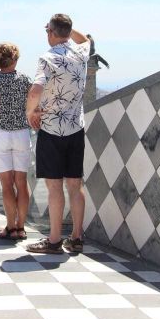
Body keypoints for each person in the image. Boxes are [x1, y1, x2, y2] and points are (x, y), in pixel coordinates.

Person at [25, 14, 91, 254]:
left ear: (50, 32)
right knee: (75, 184)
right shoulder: (81, 53)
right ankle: (76, 237)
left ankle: (54, 240)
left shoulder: (48, 58)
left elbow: (35, 90)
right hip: (75, 127)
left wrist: (30, 112)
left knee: (55, 187)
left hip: (52, 128)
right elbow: (85, 39)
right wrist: (67, 29)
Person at [0, 42, 32, 241]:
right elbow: (33, 106)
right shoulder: (25, 80)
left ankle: (10, 227)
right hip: (21, 133)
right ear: (15, 59)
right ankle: (21, 227)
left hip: (0, 134)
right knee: (21, 182)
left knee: (7, 184)